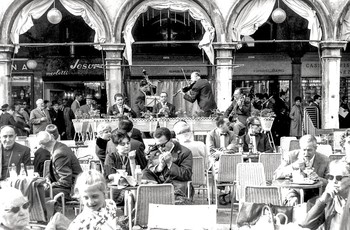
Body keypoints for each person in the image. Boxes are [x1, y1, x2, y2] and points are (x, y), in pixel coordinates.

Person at [274, 134, 330, 204]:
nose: (306, 153)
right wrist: (292, 166)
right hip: (294, 192)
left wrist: (318, 178)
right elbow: (276, 175)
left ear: (315, 148)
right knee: (292, 200)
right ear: (300, 147)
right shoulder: (291, 156)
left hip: (316, 193)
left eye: (309, 150)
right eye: (304, 150)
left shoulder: (324, 160)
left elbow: (330, 182)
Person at [142, 127, 193, 199]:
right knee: (144, 172)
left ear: (170, 140)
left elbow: (186, 175)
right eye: (158, 145)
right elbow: (149, 169)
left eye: (162, 145)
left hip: (177, 187)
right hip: (159, 186)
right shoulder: (154, 152)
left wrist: (170, 164)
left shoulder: (184, 152)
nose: (160, 148)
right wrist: (159, 168)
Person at [301, 159, 350, 230]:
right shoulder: (329, 200)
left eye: (339, 178)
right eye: (331, 177)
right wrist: (322, 202)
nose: (334, 181)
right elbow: (307, 226)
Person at [37, 130, 82, 199]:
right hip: (70, 186)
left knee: (38, 193)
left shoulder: (59, 153)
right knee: (39, 191)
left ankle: (44, 210)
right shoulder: (59, 147)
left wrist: (49, 185)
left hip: (72, 189)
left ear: (42, 146)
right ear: (52, 137)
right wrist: (47, 180)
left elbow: (65, 181)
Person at [104, 132, 145, 205]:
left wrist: (132, 160)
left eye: (128, 143)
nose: (127, 146)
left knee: (140, 196)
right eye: (123, 144)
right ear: (116, 146)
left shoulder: (131, 157)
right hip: (115, 190)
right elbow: (110, 176)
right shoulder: (111, 156)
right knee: (133, 197)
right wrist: (123, 177)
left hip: (129, 190)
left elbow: (135, 176)